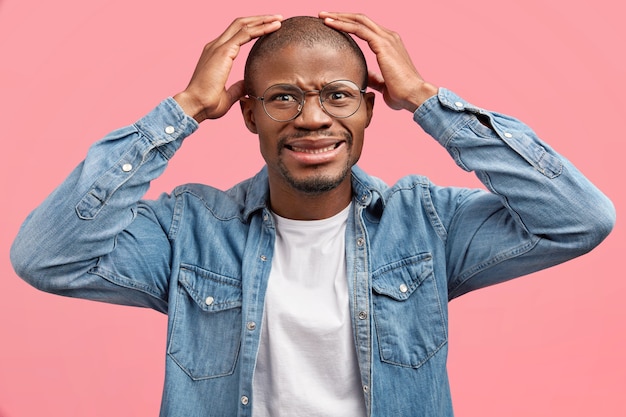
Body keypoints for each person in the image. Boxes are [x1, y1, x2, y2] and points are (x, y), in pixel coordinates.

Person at [10, 11, 615, 417]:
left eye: (337, 95)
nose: (313, 118)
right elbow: (46, 257)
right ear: (247, 113)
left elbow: (578, 218)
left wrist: (429, 101)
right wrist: (184, 109)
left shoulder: (428, 223)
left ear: (369, 110)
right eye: (282, 97)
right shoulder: (186, 231)